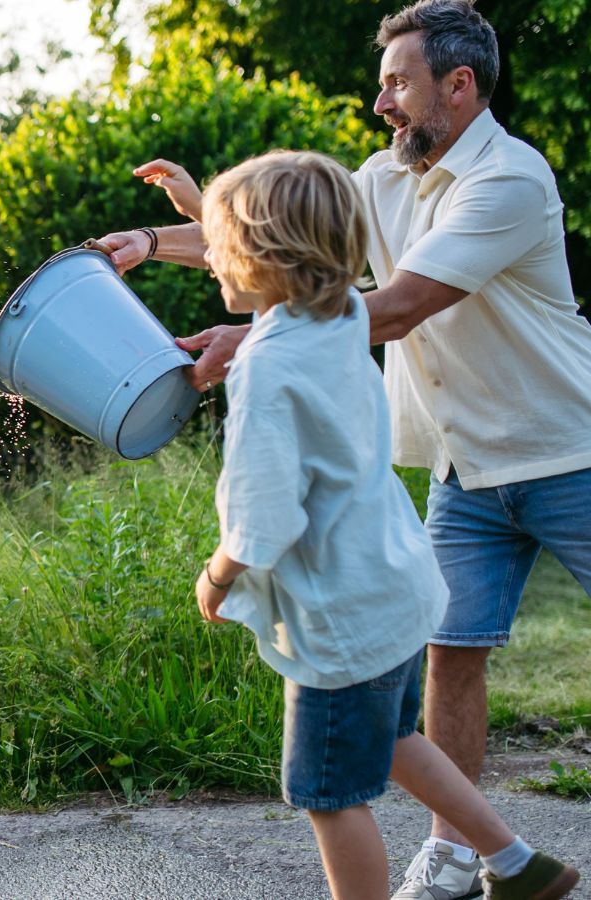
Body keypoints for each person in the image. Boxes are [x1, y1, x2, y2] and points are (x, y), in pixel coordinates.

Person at [96, 3, 591, 896]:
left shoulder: (508, 180)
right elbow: (285, 238)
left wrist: (253, 341)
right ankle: (466, 852)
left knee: (335, 781)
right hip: (459, 465)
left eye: (398, 82)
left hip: (564, 451)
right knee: (451, 655)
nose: (380, 102)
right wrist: (152, 241)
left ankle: (498, 858)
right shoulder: (383, 180)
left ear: (460, 85)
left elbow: (392, 304)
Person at [192, 149, 577, 900]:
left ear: (261, 256)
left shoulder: (265, 365)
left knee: (329, 794)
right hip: (397, 594)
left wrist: (218, 575)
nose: (209, 257)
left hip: (339, 623)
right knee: (399, 740)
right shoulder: (337, 318)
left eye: (217, 243)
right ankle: (515, 862)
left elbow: (261, 520)